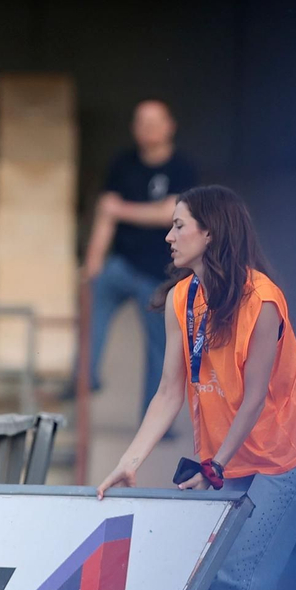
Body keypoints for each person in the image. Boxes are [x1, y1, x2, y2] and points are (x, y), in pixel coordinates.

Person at [95, 185, 296, 590]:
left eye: (179, 225)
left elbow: (253, 398)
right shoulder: (183, 298)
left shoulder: (262, 300)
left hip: (285, 459)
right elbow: (169, 391)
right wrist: (128, 462)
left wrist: (215, 464)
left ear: (210, 232)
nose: (168, 236)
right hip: (233, 462)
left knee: (232, 581)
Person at [76, 100, 198, 409]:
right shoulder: (122, 163)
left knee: (161, 348)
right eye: (142, 122)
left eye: (155, 122)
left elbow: (170, 213)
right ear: (134, 128)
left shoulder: (182, 168)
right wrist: (92, 263)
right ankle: (83, 378)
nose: (148, 128)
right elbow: (105, 216)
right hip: (121, 264)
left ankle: (155, 417)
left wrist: (121, 210)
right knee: (92, 304)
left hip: (162, 272)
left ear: (170, 126)